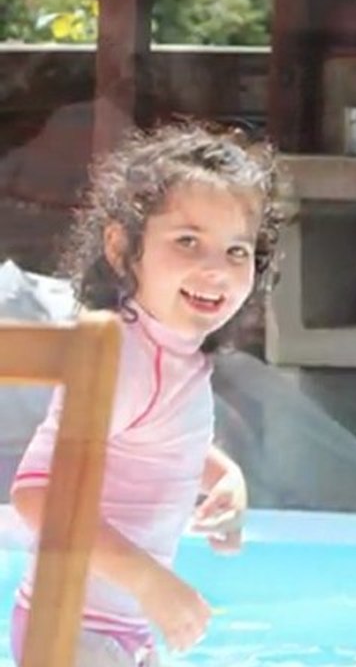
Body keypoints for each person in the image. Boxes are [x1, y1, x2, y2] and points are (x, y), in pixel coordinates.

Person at [8, 121, 283, 666]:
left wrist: (224, 477)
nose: (215, 268)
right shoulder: (126, 359)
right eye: (188, 241)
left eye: (236, 250)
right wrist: (150, 581)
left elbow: (151, 438)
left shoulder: (175, 356)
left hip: (112, 628)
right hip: (73, 626)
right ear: (120, 247)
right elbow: (36, 496)